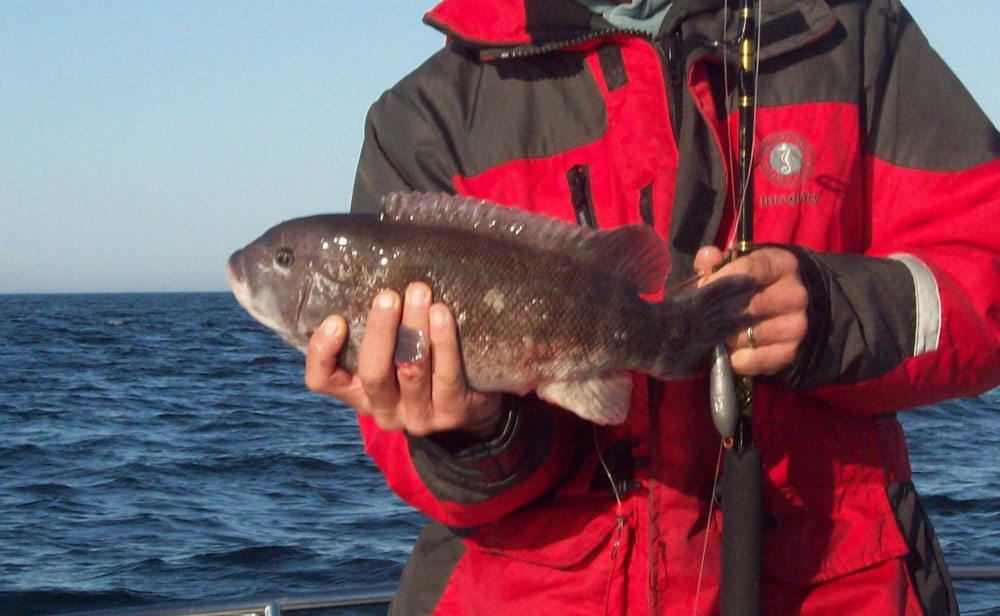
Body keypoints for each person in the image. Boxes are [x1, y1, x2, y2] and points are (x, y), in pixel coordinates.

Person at [304, 0, 1000, 614]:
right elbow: (413, 461)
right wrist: (470, 432)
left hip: (832, 581)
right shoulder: (424, 121)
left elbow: (985, 267)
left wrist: (832, 313)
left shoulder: (855, 32)